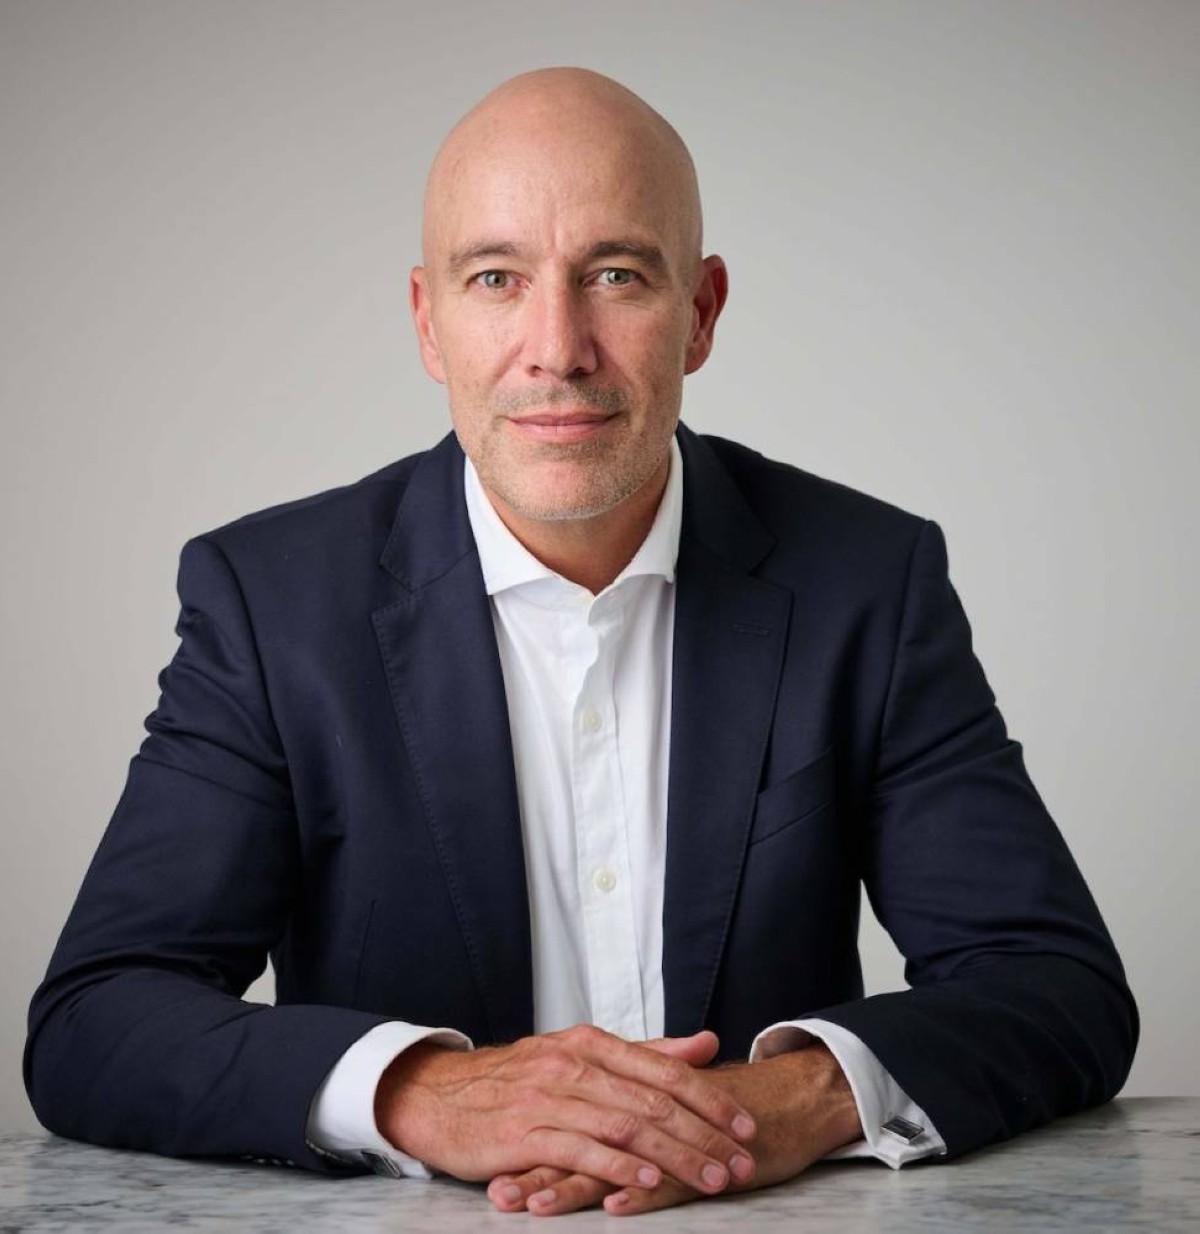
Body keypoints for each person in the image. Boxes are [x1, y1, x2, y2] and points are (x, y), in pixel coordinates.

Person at [25, 68, 1136, 1218]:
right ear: (428, 321)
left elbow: (1057, 985)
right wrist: (424, 1091)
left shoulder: (866, 581)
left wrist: (789, 1100)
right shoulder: (272, 604)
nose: (557, 348)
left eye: (615, 275)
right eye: (495, 279)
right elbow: (96, 1017)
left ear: (700, 312)